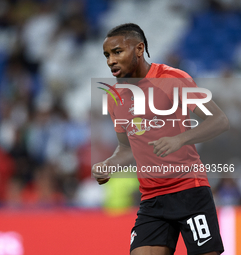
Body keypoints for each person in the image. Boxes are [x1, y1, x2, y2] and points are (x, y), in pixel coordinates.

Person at [92, 23, 229, 255]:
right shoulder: (116, 97)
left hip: (189, 191)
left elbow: (219, 120)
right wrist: (109, 164)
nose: (110, 61)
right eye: (107, 55)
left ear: (139, 49)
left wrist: (180, 139)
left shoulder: (172, 78)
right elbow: (126, 147)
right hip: (152, 200)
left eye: (117, 52)